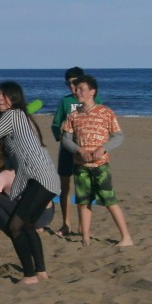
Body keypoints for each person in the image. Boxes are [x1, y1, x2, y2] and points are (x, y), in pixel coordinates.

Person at [0, 81, 60, 285]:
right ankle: (40, 272)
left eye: (4, 95)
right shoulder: (21, 117)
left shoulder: (14, 115)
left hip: (40, 179)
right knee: (28, 226)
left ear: (14, 98)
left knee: (16, 226)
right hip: (45, 179)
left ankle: (29, 276)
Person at [61, 75, 134, 247]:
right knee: (83, 202)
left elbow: (118, 136)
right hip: (81, 166)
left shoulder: (105, 112)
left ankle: (126, 237)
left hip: (101, 165)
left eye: (81, 89)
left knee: (109, 201)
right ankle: (85, 238)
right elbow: (65, 139)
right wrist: (79, 150)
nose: (77, 92)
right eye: (76, 89)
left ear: (92, 91)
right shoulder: (73, 116)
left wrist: (103, 148)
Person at [50, 66, 101, 236]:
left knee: (84, 188)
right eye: (68, 84)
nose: (72, 87)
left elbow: (100, 122)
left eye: (74, 83)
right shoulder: (65, 102)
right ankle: (66, 224)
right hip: (67, 150)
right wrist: (61, 136)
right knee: (65, 187)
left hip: (86, 150)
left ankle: (83, 226)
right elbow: (55, 124)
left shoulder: (94, 99)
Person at [0, 151, 55, 231]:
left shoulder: (3, 176)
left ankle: (5, 225)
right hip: (48, 215)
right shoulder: (26, 169)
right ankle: (36, 227)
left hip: (34, 219)